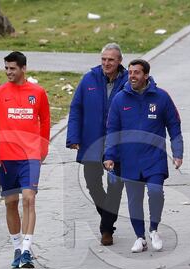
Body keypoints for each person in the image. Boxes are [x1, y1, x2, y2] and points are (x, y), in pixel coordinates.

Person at [104, 59, 183, 253]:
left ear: (146, 75)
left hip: (154, 158)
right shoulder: (120, 100)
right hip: (129, 159)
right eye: (130, 72)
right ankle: (140, 237)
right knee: (134, 200)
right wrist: (110, 155)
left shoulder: (161, 97)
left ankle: (154, 229)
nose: (132, 76)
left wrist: (178, 152)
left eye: (137, 73)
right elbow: (112, 130)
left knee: (156, 192)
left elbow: (174, 125)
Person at [0, 51, 50, 268]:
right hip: (6, 158)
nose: (8, 72)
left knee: (29, 199)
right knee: (11, 204)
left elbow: (46, 121)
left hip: (30, 156)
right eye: (6, 68)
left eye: (12, 68)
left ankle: (27, 251)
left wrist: (43, 150)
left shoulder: (38, 93)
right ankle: (17, 248)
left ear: (23, 68)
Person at [66, 43, 128, 246]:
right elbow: (76, 108)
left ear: (119, 61)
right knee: (92, 183)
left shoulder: (128, 81)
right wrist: (73, 137)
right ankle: (108, 216)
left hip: (118, 145)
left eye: (111, 60)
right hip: (91, 141)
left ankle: (106, 229)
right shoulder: (89, 79)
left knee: (115, 186)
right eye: (103, 59)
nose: (106, 63)